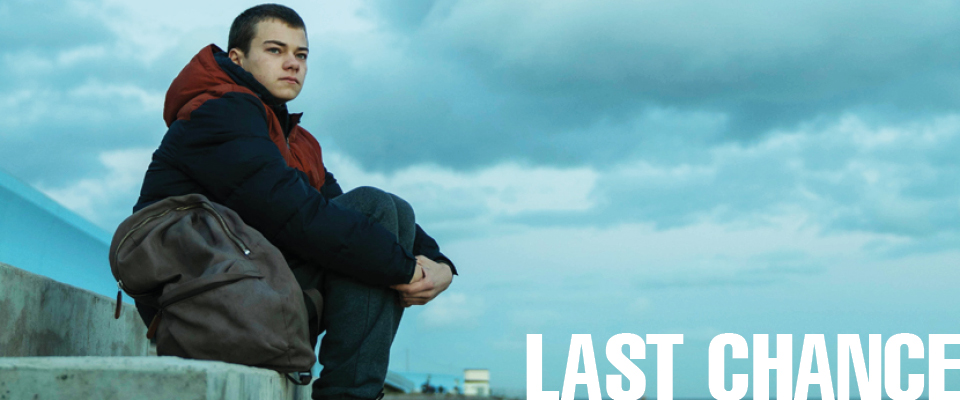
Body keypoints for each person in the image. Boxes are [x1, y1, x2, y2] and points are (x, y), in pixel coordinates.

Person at [132, 4, 455, 400]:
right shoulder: (218, 113)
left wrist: (439, 264)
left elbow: (349, 216)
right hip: (206, 302)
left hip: (256, 288)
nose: (292, 64)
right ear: (238, 58)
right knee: (373, 208)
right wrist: (405, 270)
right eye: (275, 50)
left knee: (390, 210)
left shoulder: (295, 140)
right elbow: (297, 216)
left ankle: (352, 392)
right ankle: (348, 395)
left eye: (301, 55)